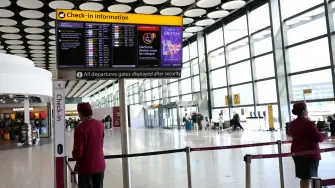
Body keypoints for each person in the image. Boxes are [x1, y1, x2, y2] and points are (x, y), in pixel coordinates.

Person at [289, 102, 325, 188]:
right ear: (304, 111)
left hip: (297, 153)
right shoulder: (309, 124)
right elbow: (318, 138)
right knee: (310, 177)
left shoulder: (292, 124)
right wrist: (324, 135)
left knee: (304, 177)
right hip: (310, 154)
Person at [72, 102, 106, 188]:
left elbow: (78, 153)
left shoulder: (80, 128)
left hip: (86, 167)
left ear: (80, 113)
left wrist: (74, 156)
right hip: (100, 164)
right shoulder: (100, 125)